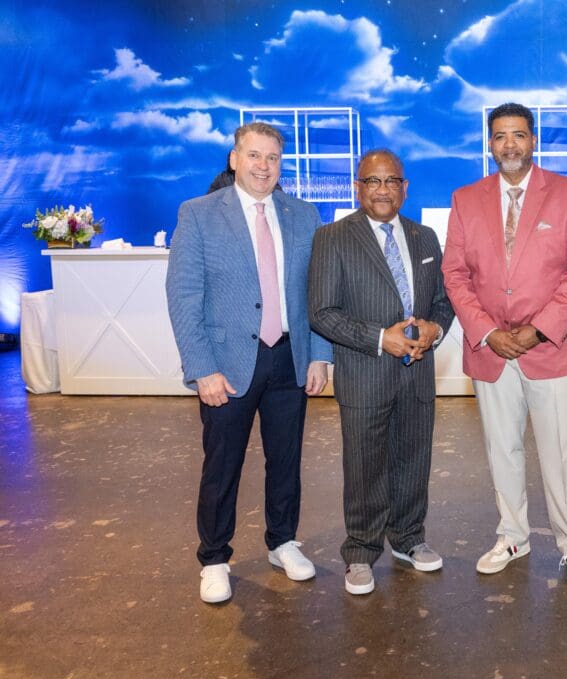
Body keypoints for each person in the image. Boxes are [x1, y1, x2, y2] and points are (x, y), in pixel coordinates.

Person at [166, 121, 331, 604]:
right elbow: (183, 297)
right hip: (226, 365)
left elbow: (314, 293)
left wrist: (319, 355)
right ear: (234, 159)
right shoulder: (197, 214)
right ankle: (214, 557)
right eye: (254, 156)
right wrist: (201, 368)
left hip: (289, 360)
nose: (264, 166)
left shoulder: (303, 214)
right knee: (223, 466)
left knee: (287, 461)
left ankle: (282, 542)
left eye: (273, 158)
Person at [442, 102, 567, 590]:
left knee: (561, 453)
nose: (510, 144)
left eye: (519, 135)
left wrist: (537, 329)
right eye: (500, 136)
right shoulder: (466, 198)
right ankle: (513, 536)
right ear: (490, 144)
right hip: (491, 350)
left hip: (549, 348)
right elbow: (455, 273)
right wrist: (489, 332)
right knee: (502, 450)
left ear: (534, 141)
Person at [308, 149, 453, 596]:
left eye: (392, 181)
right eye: (373, 181)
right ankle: (360, 551)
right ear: (358, 187)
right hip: (364, 372)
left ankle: (409, 539)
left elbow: (444, 303)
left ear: (405, 188)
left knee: (413, 462)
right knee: (365, 466)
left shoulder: (426, 238)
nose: (383, 190)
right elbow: (322, 312)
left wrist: (434, 328)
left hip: (417, 373)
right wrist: (379, 338)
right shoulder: (332, 237)